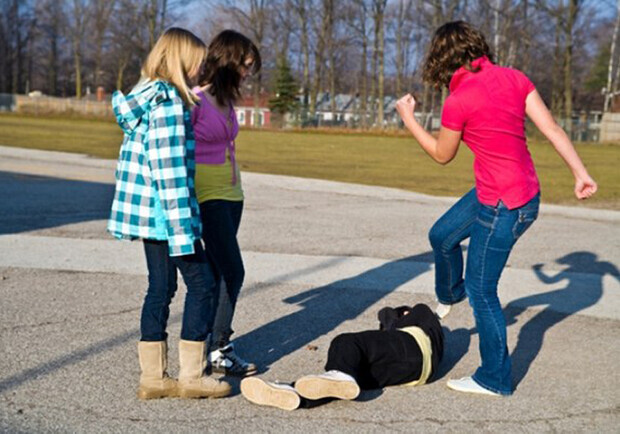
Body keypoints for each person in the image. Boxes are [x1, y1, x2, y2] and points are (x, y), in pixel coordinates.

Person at [395, 21, 597, 396]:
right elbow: (551, 128)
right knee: (441, 235)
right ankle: (450, 295)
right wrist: (580, 174)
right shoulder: (515, 77)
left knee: (483, 291)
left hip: (505, 205)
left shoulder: (459, 100)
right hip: (516, 193)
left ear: (441, 59)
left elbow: (442, 155)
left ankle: (494, 377)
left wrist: (409, 119)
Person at [108, 27, 230, 400]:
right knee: (203, 284)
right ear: (179, 62)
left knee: (160, 287)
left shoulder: (146, 98)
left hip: (149, 216)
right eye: (196, 64)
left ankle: (154, 379)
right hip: (168, 216)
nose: (199, 71)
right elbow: (169, 171)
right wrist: (184, 230)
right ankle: (191, 377)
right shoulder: (168, 105)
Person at [191, 29, 261, 376]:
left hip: (233, 195)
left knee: (221, 271)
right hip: (207, 196)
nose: (248, 73)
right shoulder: (195, 100)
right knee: (234, 271)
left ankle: (206, 346)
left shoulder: (228, 101)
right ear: (228, 63)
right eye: (245, 66)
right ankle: (217, 346)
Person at [239, 303, 444, 410]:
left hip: (414, 345)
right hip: (416, 374)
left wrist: (397, 315)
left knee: (346, 342)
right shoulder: (416, 334)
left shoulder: (420, 314)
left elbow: (387, 314)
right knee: (346, 378)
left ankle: (339, 375)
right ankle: (294, 393)